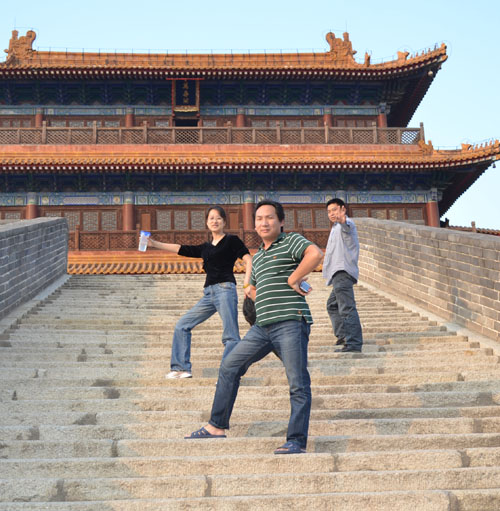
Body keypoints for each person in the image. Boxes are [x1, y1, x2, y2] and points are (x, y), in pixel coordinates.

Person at [185, 200, 324, 454]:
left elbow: (315, 254)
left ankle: (296, 440)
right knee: (230, 365)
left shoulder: (291, 241)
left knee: (297, 382)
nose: (264, 223)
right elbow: (255, 290)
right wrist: (251, 291)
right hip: (262, 327)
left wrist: (294, 278)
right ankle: (216, 425)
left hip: (290, 322)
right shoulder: (258, 257)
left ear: (281, 221)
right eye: (259, 219)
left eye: (269, 218)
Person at [147, 206, 252, 379]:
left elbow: (249, 260)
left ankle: (228, 376)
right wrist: (154, 244)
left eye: (218, 218)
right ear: (207, 223)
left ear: (224, 222)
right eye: (211, 218)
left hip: (225, 290)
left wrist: (247, 284)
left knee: (231, 335)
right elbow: (182, 249)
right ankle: (181, 368)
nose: (215, 221)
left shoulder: (232, 240)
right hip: (209, 293)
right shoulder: (206, 247)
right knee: (182, 325)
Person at [323, 198, 363, 353]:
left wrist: (342, 220)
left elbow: (347, 225)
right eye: (329, 211)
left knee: (346, 307)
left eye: (334, 210)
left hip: (343, 271)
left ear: (343, 209)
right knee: (332, 305)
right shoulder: (335, 228)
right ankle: (343, 336)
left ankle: (353, 343)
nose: (331, 214)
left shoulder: (346, 225)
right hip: (337, 273)